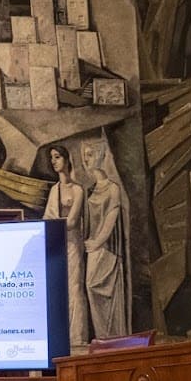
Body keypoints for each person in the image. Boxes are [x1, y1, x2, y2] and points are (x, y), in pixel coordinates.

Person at [80, 140, 130, 339]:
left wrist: (97, 242)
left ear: (100, 155)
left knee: (100, 287)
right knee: (90, 287)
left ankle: (114, 337)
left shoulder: (113, 188)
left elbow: (111, 217)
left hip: (108, 248)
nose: (86, 159)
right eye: (84, 155)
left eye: (90, 154)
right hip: (92, 249)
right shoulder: (89, 190)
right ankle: (102, 336)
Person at [42, 143, 89, 345]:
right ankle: (62, 337)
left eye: (57, 157)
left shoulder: (78, 190)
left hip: (72, 245)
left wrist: (54, 223)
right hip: (57, 244)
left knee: (75, 288)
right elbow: (47, 216)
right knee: (58, 289)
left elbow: (72, 222)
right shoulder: (54, 190)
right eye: (51, 157)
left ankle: (77, 337)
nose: (53, 161)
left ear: (67, 159)